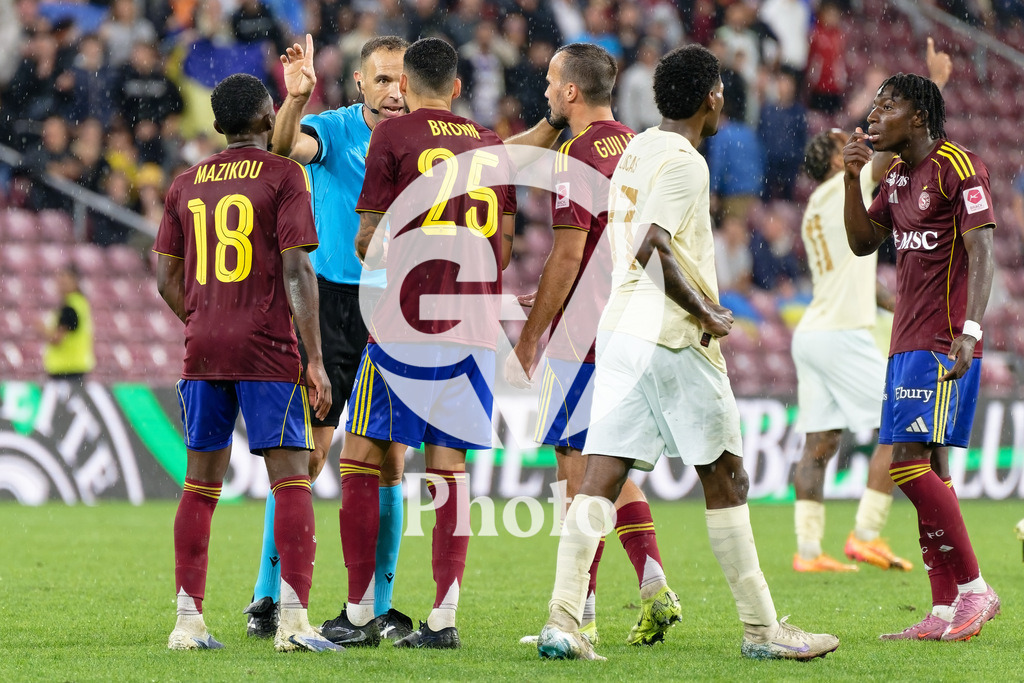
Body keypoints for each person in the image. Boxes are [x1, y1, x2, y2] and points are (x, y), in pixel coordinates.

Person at [535, 44, 839, 662]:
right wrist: (705, 310)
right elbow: (652, 243)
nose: (725, 96)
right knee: (726, 476)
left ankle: (563, 620)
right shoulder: (685, 164)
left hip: (619, 332)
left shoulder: (637, 151)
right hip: (671, 336)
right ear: (711, 98)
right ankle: (761, 629)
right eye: (722, 87)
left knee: (600, 477)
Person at [334, 36, 516, 650]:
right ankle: (444, 618)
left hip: (407, 321)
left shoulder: (394, 136)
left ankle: (359, 615)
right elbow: (507, 249)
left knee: (361, 453)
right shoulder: (492, 146)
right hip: (474, 327)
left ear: (405, 87)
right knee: (449, 469)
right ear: (459, 88)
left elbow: (366, 242)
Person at [504, 43, 680, 648]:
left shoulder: (573, 155)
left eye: (553, 81)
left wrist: (531, 339)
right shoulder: (636, 145)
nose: (547, 90)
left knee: (575, 473)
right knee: (610, 464)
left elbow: (570, 251)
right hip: (632, 325)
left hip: (582, 337)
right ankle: (654, 584)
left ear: (571, 92)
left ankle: (580, 614)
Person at [155, 73, 337, 653]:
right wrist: (314, 359)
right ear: (266, 121)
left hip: (203, 348)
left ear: (217, 126)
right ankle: (293, 621)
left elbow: (164, 275)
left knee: (200, 483)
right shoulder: (286, 174)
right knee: (291, 477)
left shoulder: (185, 182)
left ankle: (188, 622)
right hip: (266, 347)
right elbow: (297, 270)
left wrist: (206, 316)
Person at [245, 34, 414, 645]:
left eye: (402, 79)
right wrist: (294, 97)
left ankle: (381, 604)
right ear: (361, 85)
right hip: (333, 303)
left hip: (396, 309)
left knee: (390, 460)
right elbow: (284, 146)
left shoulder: (426, 138)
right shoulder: (336, 129)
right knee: (309, 455)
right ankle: (268, 595)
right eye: (384, 80)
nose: (395, 91)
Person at [843, 72, 999, 641]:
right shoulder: (901, 175)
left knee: (906, 462)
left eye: (888, 105)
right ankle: (942, 610)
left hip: (943, 339)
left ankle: (976, 591)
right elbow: (863, 242)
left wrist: (971, 330)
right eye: (875, 104)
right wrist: (850, 179)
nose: (874, 115)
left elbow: (983, 248)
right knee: (929, 468)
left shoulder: (958, 166)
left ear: (918, 117)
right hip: (904, 339)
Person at [791, 38, 954, 574]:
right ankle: (866, 534)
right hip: (838, 331)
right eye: (850, 142)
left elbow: (861, 281)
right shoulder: (844, 187)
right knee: (899, 425)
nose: (862, 140)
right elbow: (893, 155)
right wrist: (934, 92)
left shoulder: (818, 210)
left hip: (814, 331)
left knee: (819, 443)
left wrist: (898, 303)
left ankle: (808, 551)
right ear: (837, 158)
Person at [40, 264, 95, 382]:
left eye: (64, 279)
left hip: (65, 369)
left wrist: (41, 329)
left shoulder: (70, 307)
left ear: (75, 282)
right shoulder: (81, 303)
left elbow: (57, 339)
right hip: (77, 366)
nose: (59, 283)